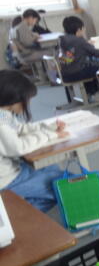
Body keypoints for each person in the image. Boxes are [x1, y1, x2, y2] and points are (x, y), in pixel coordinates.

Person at [0, 70, 68, 213]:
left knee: (51, 167)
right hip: (7, 179)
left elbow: (19, 128)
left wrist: (49, 127)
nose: (28, 103)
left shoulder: (4, 113)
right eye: (27, 100)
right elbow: (19, 147)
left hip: (12, 169)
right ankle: (19, 219)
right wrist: (50, 134)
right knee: (63, 186)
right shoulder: (1, 123)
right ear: (14, 100)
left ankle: (19, 210)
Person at [59, 16, 99, 96]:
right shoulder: (79, 40)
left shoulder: (62, 39)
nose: (84, 30)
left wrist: (86, 43)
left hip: (65, 73)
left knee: (90, 63)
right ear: (78, 30)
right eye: (83, 28)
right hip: (76, 72)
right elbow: (96, 52)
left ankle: (91, 92)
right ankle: (95, 93)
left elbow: (75, 51)